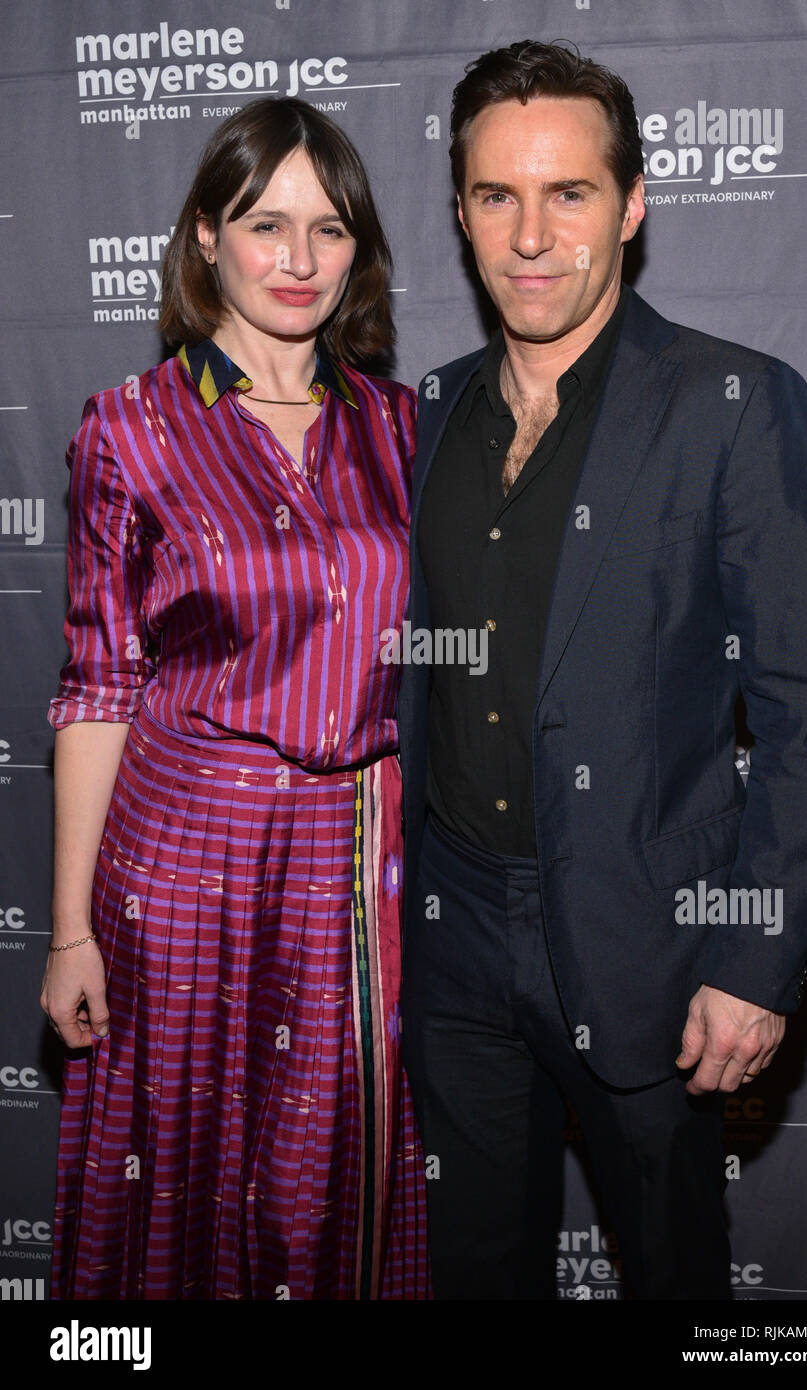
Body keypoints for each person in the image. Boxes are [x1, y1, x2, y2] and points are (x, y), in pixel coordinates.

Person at [398, 41, 807, 1300]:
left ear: (634, 204)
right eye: (497, 196)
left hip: (651, 938)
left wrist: (755, 965)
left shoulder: (734, 402)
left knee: (670, 1274)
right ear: (461, 213)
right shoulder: (423, 415)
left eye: (570, 193)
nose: (532, 235)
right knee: (476, 1270)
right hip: (451, 932)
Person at [41, 97, 429, 1300]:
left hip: (352, 864)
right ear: (206, 235)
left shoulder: (405, 428)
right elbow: (100, 684)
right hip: (183, 858)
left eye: (329, 228)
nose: (299, 259)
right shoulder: (136, 427)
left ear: (360, 249)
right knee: (168, 1179)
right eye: (267, 224)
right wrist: (68, 931)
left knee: (330, 1181)